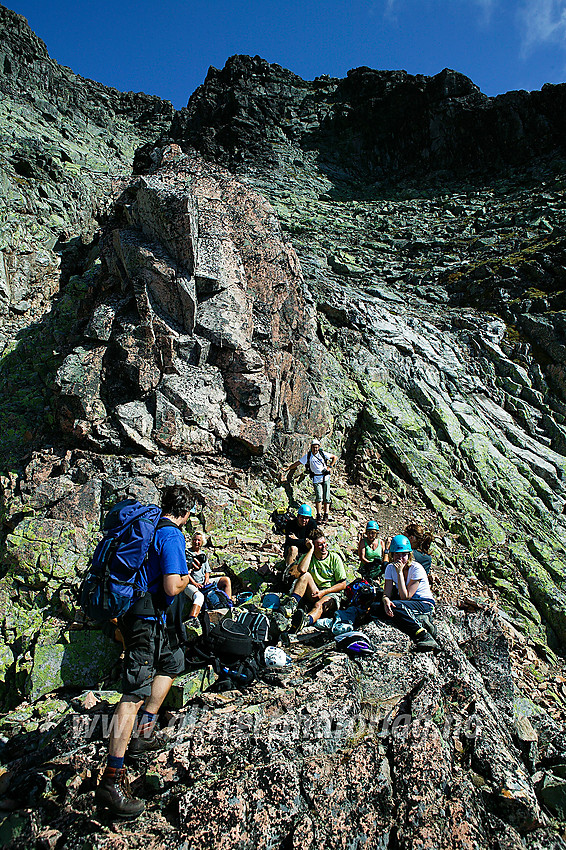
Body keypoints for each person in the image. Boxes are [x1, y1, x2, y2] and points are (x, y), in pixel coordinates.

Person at [95, 485, 192, 818]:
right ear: (187, 512)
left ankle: (143, 733)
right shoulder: (172, 535)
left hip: (137, 613)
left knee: (172, 661)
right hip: (146, 619)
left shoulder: (149, 527)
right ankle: (111, 781)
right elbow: (171, 585)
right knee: (134, 692)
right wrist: (186, 578)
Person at [369, 534, 439, 652]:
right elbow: (387, 592)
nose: (400, 558)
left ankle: (422, 634)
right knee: (377, 607)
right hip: (407, 602)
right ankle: (419, 619)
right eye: (397, 554)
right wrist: (386, 600)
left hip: (423, 603)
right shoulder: (390, 568)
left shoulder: (416, 569)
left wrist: (400, 573)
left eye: (404, 555)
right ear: (392, 555)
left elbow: (405, 597)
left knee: (397, 606)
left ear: (409, 555)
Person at [282, 531, 347, 631]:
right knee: (305, 576)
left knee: (318, 605)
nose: (324, 547)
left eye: (324, 543)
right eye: (320, 545)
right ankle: (292, 605)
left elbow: (343, 584)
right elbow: (302, 570)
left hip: (330, 593)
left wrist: (324, 592)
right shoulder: (309, 557)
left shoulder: (335, 558)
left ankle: (305, 621)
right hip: (315, 590)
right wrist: (311, 549)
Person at [280, 438, 337, 523]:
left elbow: (334, 457)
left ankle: (326, 515)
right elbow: (298, 463)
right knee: (319, 497)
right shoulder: (308, 456)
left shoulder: (322, 453)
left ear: (319, 447)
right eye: (314, 447)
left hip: (325, 477)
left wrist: (329, 467)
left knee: (327, 497)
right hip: (316, 478)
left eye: (317, 447)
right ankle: (318, 515)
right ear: (311, 447)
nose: (315, 449)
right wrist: (288, 468)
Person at [183, 531, 233, 622]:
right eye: (194, 540)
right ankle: (192, 622)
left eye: (199, 540)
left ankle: (229, 607)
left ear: (202, 542)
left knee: (226, 580)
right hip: (189, 583)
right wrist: (195, 583)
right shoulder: (186, 554)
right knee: (199, 597)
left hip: (203, 581)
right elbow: (185, 573)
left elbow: (207, 571)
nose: (196, 542)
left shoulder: (203, 554)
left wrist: (206, 580)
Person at [283, 504, 318, 569]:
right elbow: (289, 541)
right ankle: (289, 572)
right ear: (298, 516)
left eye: (306, 518)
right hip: (291, 550)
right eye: (302, 517)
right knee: (293, 549)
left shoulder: (312, 525)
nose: (304, 520)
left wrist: (297, 540)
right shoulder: (290, 524)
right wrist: (304, 541)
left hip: (306, 549)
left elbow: (312, 541)